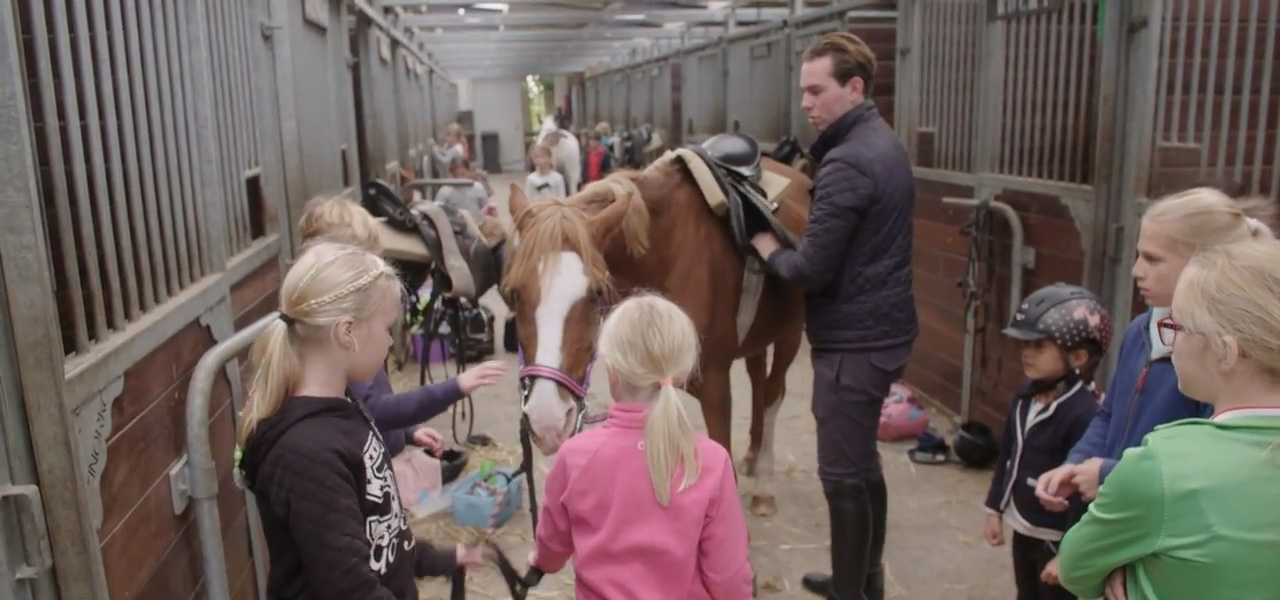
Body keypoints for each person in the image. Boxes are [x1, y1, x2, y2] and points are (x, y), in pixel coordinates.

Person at [748, 31, 916, 600]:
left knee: (842, 475)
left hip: (855, 340)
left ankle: (852, 592)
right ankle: (864, 580)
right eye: (803, 92)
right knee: (863, 465)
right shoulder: (882, 142)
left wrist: (767, 246)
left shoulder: (848, 162)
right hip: (880, 329)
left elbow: (810, 270)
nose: (806, 104)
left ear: (854, 88)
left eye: (816, 91)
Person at [236, 242, 484, 600]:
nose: (388, 342)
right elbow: (349, 588)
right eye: (387, 328)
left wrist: (440, 559)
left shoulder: (346, 406)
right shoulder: (306, 454)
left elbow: (380, 532)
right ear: (347, 332)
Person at [1057, 239, 1280, 600]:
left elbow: (1076, 569)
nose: (1170, 339)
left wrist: (1134, 574)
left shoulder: (1162, 461)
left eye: (1177, 326)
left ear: (1225, 351)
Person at [1034, 188, 1277, 512]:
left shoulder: (1215, 357)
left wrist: (1110, 474)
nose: (1135, 270)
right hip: (1117, 506)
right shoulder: (1140, 331)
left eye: (1152, 259)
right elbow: (1109, 413)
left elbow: (1206, 462)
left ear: (1204, 262)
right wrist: (1078, 462)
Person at [528, 293, 753, 599]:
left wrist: (540, 560)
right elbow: (729, 580)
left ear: (612, 374)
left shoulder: (576, 456)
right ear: (684, 374)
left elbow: (553, 551)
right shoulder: (712, 461)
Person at [294, 195, 506, 488]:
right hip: (363, 476)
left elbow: (374, 398)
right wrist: (454, 387)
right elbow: (372, 409)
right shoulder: (339, 334)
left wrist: (408, 432)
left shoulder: (353, 319)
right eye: (367, 261)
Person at [982, 283, 1113, 600]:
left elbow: (1086, 494)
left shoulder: (1084, 413)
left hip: (1056, 536)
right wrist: (994, 508)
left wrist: (1068, 551)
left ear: (1079, 355)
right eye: (1025, 344)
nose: (1026, 353)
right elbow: (1009, 454)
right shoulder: (1025, 395)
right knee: (1025, 593)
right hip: (1024, 526)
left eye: (1039, 346)